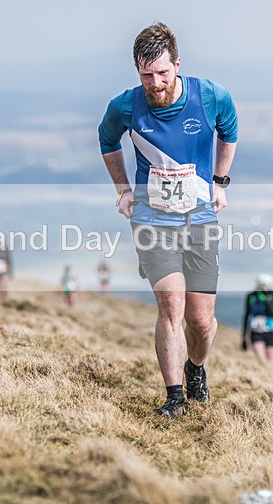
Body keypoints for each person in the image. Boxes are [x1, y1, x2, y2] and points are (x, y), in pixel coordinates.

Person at [98, 22, 238, 418]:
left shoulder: (211, 96)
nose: (155, 83)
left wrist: (220, 182)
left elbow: (230, 130)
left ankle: (196, 368)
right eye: (146, 75)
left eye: (162, 73)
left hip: (200, 217)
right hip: (152, 218)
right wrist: (124, 190)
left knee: (201, 319)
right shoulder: (124, 106)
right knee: (171, 307)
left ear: (178, 64)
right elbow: (107, 140)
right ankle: (174, 397)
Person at [242, 273, 273, 364]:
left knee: (272, 362)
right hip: (256, 331)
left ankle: (272, 377)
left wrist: (267, 300)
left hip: (271, 331)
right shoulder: (251, 296)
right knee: (261, 360)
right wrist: (243, 337)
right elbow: (247, 315)